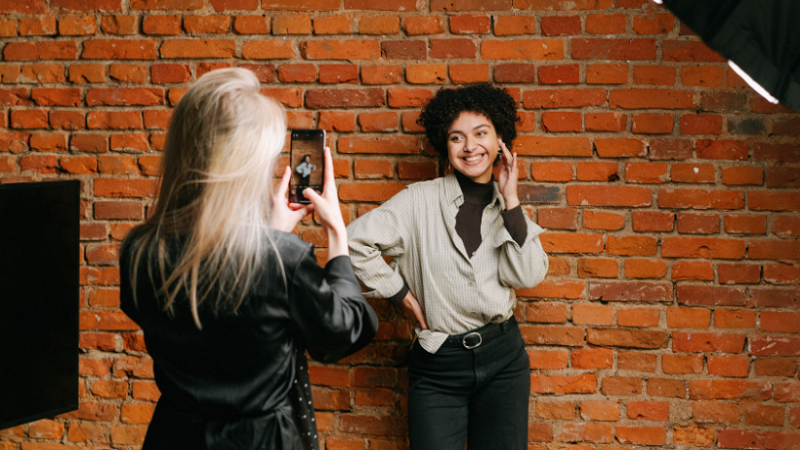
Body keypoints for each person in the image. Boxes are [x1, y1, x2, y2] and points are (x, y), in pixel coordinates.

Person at [119, 68, 378, 450]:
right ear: (244, 166)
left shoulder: (140, 249)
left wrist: (273, 236)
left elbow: (215, 308)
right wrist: (337, 236)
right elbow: (340, 332)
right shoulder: (282, 262)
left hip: (174, 436)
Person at [347, 83, 549, 450]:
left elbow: (529, 275)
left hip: (504, 360)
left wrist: (513, 200)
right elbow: (352, 242)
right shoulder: (418, 201)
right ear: (445, 145)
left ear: (500, 140)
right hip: (439, 364)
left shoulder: (507, 209)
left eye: (481, 133)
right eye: (457, 137)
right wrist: (400, 295)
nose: (470, 146)